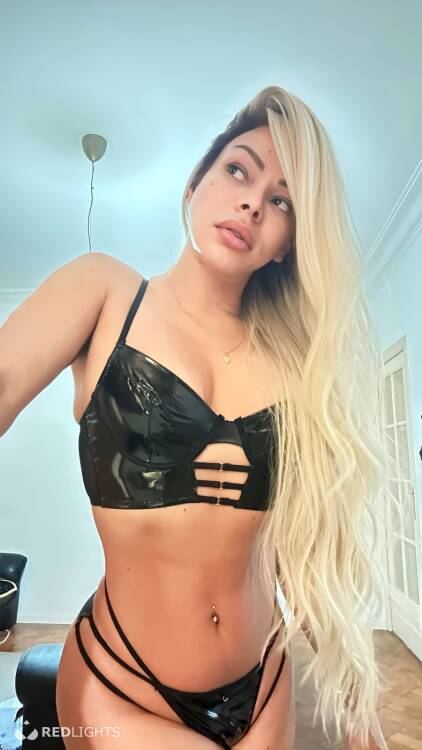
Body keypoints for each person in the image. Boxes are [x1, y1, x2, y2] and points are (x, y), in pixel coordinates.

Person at [0, 85, 389, 749]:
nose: (252, 204)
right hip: (120, 685)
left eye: (282, 202)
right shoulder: (106, 293)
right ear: (195, 182)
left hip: (264, 685)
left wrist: (352, 685)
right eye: (238, 170)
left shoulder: (295, 364)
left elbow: (297, 551)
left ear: (288, 244)